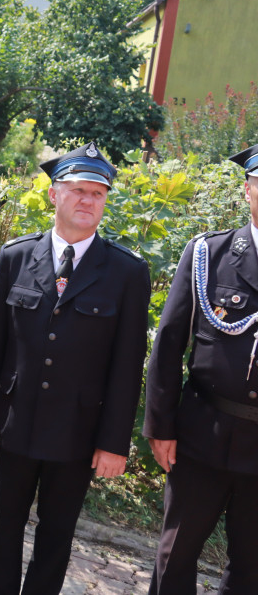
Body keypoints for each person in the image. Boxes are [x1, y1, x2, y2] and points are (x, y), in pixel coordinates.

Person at [0, 142, 150, 595]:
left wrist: (113, 443)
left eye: (98, 193)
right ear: (54, 195)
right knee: (4, 524)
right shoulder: (16, 256)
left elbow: (128, 368)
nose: (87, 200)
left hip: (78, 430)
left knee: (57, 532)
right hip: (16, 420)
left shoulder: (127, 272)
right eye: (77, 190)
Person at [144, 144, 258, 593]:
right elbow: (170, 346)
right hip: (201, 436)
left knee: (252, 570)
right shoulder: (208, 254)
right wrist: (160, 425)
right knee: (175, 556)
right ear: (249, 189)